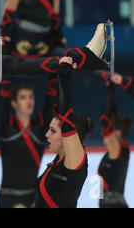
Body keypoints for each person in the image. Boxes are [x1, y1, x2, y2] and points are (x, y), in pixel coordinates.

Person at [35, 57, 95, 208]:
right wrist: (57, 74)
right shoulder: (58, 162)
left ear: (69, 137)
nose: (47, 135)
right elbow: (58, 109)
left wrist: (63, 78)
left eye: (53, 131)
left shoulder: (75, 161)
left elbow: (65, 114)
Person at [0, 75, 57, 208]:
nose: (28, 101)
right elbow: (4, 96)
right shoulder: (7, 128)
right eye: (23, 97)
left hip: (31, 199)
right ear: (14, 103)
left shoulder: (40, 129)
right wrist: (8, 63)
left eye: (31, 97)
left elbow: (51, 98)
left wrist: (56, 70)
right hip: (7, 200)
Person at [97, 80, 134, 208]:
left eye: (110, 130)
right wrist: (110, 89)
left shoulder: (118, 150)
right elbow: (111, 117)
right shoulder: (121, 148)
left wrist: (110, 90)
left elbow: (104, 121)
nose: (104, 133)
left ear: (117, 133)